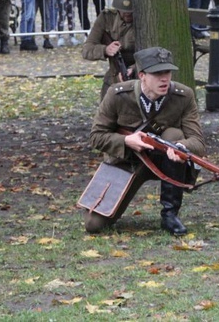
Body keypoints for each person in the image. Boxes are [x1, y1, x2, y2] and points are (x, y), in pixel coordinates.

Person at [85, 47, 206, 235]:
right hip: (129, 161)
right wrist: (126, 140)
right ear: (142, 75)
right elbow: (96, 136)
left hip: (165, 162)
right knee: (94, 225)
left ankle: (170, 215)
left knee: (174, 136)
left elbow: (198, 142)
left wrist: (181, 148)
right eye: (157, 73)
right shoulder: (118, 95)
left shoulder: (184, 96)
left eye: (167, 72)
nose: (165, 78)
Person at [82, 0, 136, 100]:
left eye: (131, 11)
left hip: (140, 78)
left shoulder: (144, 21)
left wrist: (135, 68)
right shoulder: (107, 18)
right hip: (113, 78)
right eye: (124, 11)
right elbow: (87, 49)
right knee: (105, 115)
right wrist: (105, 50)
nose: (128, 14)